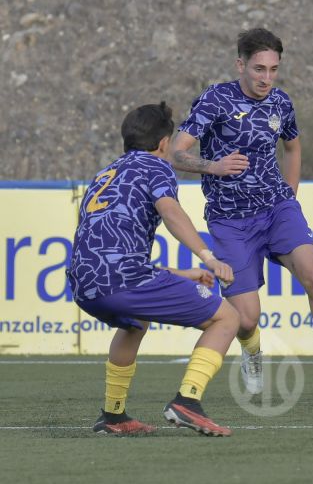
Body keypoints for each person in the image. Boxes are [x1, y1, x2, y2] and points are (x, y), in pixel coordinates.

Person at [169, 28, 313, 395]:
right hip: (230, 220)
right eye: (259, 69)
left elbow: (293, 148)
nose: (267, 78)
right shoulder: (216, 100)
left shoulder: (281, 103)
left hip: (277, 209)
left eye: (274, 69)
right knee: (247, 318)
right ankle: (252, 355)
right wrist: (213, 166)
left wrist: (290, 199)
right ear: (241, 64)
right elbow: (175, 152)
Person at [68, 102, 241, 436]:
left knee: (135, 322)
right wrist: (208, 257)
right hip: (123, 279)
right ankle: (187, 402)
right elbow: (171, 212)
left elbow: (113, 254)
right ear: (164, 143)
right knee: (228, 317)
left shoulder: (107, 173)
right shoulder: (156, 167)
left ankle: (113, 415)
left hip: (84, 285)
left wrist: (182, 273)